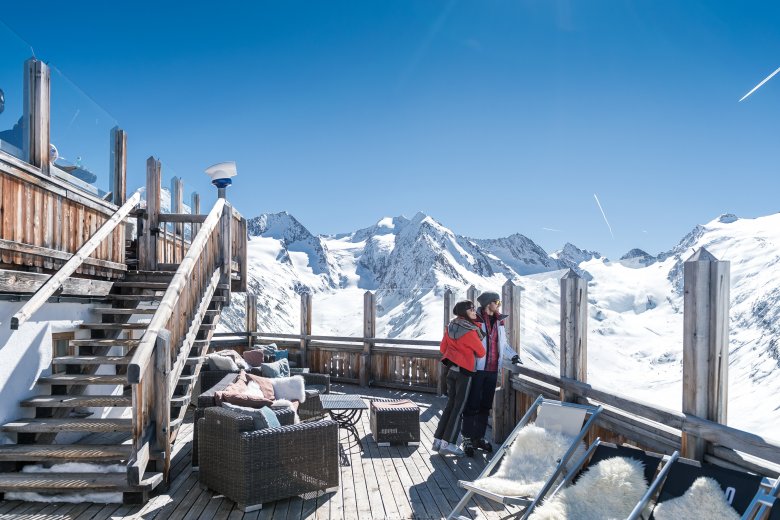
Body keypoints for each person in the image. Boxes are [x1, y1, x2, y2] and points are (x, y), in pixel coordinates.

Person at [461, 291, 519, 457]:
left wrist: (513, 355)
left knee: (485, 405)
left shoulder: (499, 321)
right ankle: (466, 438)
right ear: (488, 304)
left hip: (493, 370)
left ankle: (478, 438)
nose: (498, 304)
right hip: (477, 369)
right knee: (472, 404)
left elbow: (503, 344)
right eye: (497, 302)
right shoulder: (474, 320)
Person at [433, 300, 486, 456]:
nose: (475, 311)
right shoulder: (470, 331)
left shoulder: (450, 327)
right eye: (472, 309)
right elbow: (481, 352)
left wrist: (455, 352)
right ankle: (448, 443)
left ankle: (438, 440)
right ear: (464, 312)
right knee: (459, 408)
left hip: (452, 371)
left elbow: (443, 348)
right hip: (465, 372)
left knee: (450, 405)